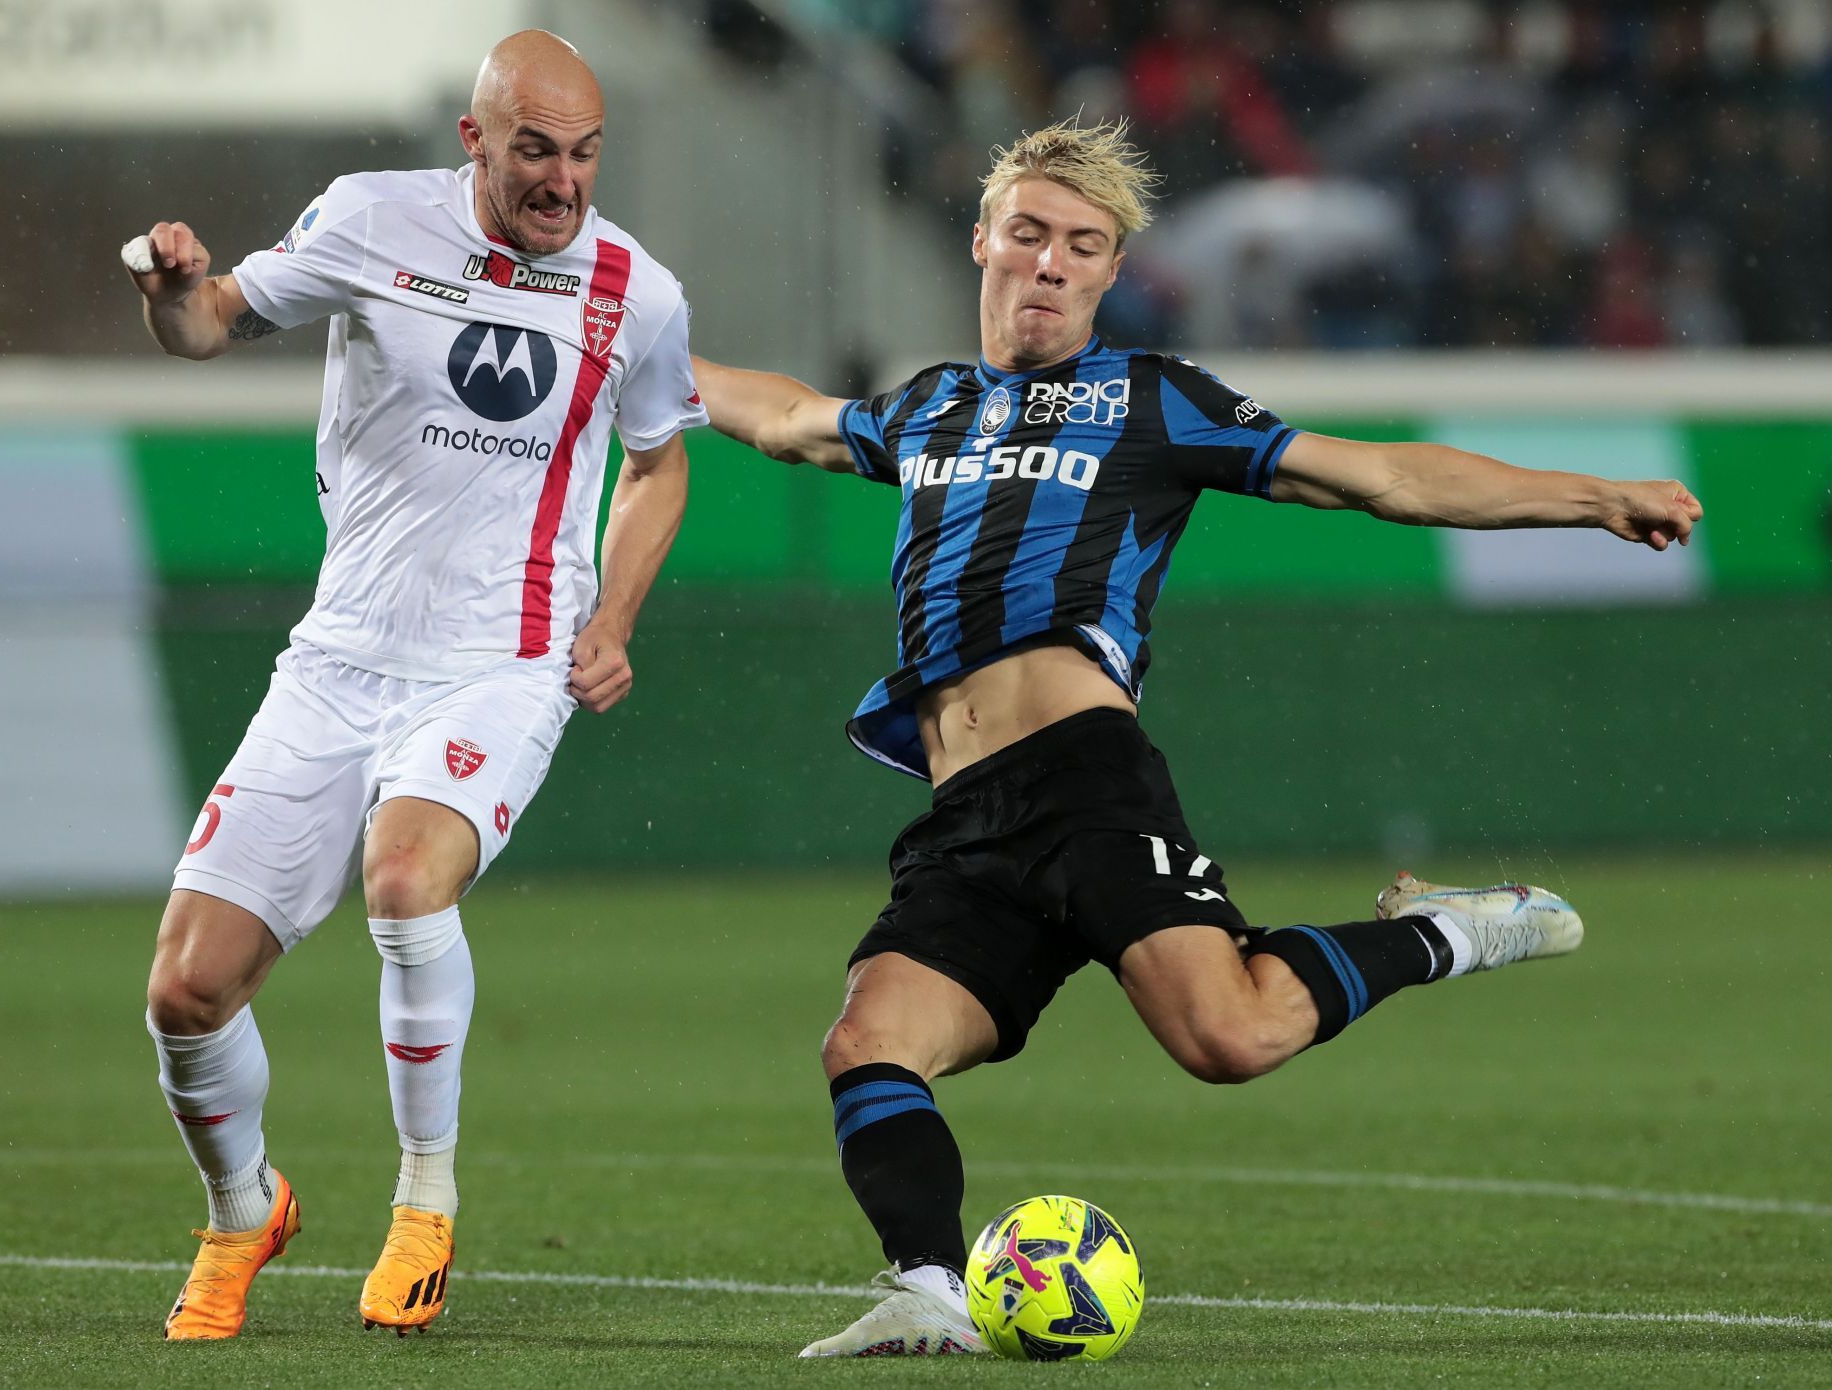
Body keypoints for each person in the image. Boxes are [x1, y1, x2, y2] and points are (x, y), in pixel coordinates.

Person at [690, 119, 1702, 1358]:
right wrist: (631, 354)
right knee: (869, 1039)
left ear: (1111, 273)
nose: (1052, 263)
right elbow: (787, 415)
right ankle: (930, 1292)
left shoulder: (1153, 399)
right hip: (963, 822)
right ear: (984, 241)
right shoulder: (930, 409)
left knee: (1229, 1037)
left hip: (1083, 781)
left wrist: (1594, 498)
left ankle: (1449, 928)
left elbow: (1384, 479)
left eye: (1084, 246)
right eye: (1030, 235)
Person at [125, 31, 706, 1340]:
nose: (563, 181)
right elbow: (206, 323)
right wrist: (169, 286)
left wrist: (614, 613)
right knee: (184, 991)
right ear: (474, 139)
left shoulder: (639, 292)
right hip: (338, 656)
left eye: (584, 153)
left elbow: (661, 462)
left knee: (404, 877)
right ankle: (242, 1207)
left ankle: (424, 1203)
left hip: (503, 661)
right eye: (535, 151)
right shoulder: (369, 218)